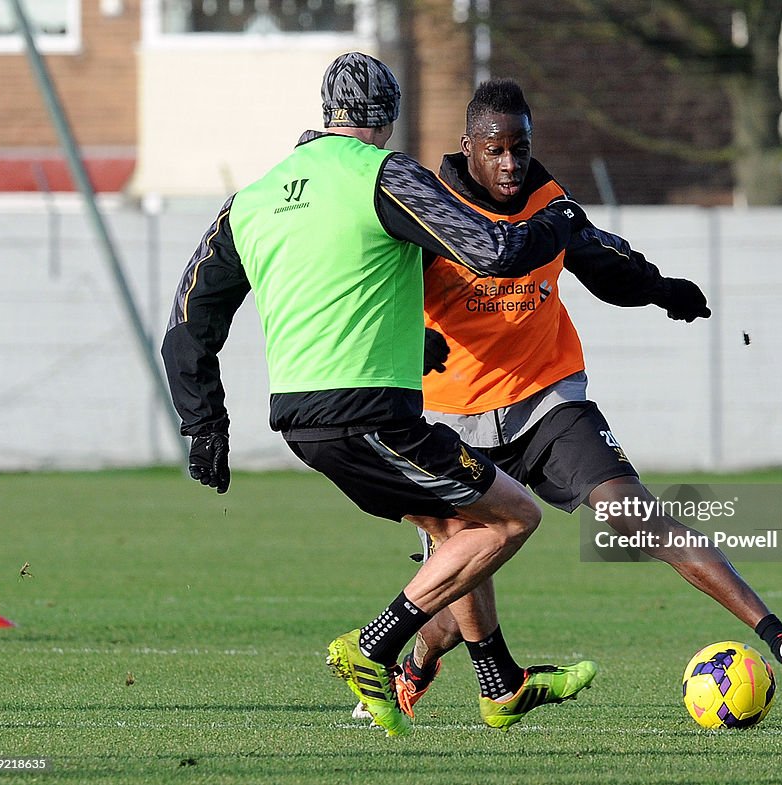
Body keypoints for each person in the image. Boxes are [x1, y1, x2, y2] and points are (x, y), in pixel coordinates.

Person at [357, 79, 782, 721]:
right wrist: (411, 344)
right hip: (450, 418)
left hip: (546, 401)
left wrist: (663, 290)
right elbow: (380, 292)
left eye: (520, 148)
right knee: (456, 591)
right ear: (468, 146)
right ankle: (417, 666)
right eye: (495, 149)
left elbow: (605, 262)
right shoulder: (427, 204)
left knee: (633, 514)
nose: (510, 164)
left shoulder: (547, 202)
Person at [160, 55, 599, 738]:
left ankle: (500, 682)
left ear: (327, 112)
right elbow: (490, 249)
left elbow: (188, 325)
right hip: (371, 415)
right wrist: (558, 222)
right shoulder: (386, 175)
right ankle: (373, 646)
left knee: (456, 526)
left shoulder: (252, 198)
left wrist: (204, 424)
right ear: (388, 116)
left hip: (302, 423)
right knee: (512, 516)